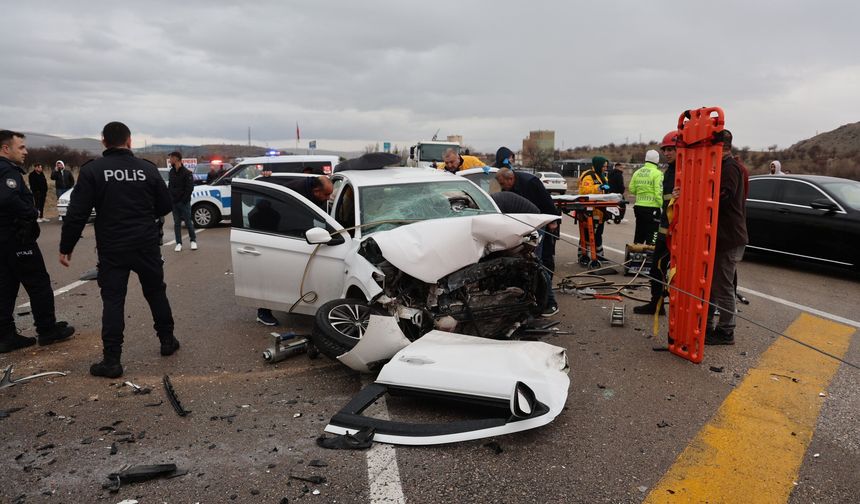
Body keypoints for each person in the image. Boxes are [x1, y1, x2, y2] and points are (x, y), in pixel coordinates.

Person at [60, 122, 178, 377]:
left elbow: (77, 212)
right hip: (145, 244)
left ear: (104, 141)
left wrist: (66, 246)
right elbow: (165, 205)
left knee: (113, 300)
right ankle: (167, 340)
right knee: (156, 292)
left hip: (113, 247)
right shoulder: (147, 169)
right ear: (129, 141)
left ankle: (112, 360)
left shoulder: (93, 170)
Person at [0, 130, 75, 353]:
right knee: (38, 282)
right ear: (6, 148)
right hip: (16, 237)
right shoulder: (6, 171)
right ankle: (47, 329)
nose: (25, 151)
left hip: (4, 239)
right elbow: (7, 198)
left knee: (6, 285)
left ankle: (5, 335)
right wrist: (31, 212)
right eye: (21, 147)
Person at [255, 174, 334, 326]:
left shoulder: (310, 190)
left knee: (295, 275)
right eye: (326, 194)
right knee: (275, 275)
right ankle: (263, 312)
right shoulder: (295, 192)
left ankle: (294, 303)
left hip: (297, 235)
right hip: (280, 237)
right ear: (316, 191)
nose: (328, 198)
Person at [495, 166, 561, 317]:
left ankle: (550, 303)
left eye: (503, 184)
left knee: (536, 262)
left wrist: (553, 220)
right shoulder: (504, 192)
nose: (502, 187)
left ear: (510, 179)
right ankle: (531, 298)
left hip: (537, 222)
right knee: (528, 261)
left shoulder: (530, 182)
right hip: (523, 225)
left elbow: (546, 200)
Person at [705, 130, 748, 345]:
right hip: (723, 237)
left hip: (729, 237)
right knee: (715, 284)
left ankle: (726, 331)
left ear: (721, 146)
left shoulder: (730, 168)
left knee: (723, 286)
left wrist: (702, 199)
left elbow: (724, 196)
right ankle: (710, 324)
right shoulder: (723, 166)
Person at [634, 131, 679, 315]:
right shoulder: (668, 171)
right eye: (665, 150)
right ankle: (656, 304)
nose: (667, 153)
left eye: (671, 149)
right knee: (656, 267)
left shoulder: (684, 171)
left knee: (674, 271)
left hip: (676, 230)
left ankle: (668, 305)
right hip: (664, 227)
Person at [577, 156, 611, 260]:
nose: (605, 168)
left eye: (606, 166)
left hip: (600, 210)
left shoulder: (602, 176)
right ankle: (583, 255)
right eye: (603, 166)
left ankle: (599, 255)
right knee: (588, 233)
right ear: (598, 165)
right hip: (590, 210)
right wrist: (599, 187)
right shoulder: (588, 176)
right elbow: (585, 191)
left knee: (598, 233)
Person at [628, 150, 663, 245]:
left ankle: (635, 252)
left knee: (639, 233)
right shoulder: (658, 173)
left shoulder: (637, 172)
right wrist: (662, 206)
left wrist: (641, 193)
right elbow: (658, 192)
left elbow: (631, 189)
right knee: (652, 237)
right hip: (653, 208)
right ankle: (650, 252)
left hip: (639, 207)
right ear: (657, 160)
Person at [167, 152, 197, 252]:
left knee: (188, 222)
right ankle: (178, 243)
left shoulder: (187, 173)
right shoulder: (171, 172)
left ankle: (193, 241)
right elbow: (170, 186)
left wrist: (183, 200)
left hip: (184, 203)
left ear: (176, 159)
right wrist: (171, 198)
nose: (170, 160)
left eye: (171, 158)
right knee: (177, 223)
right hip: (174, 203)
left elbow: (189, 189)